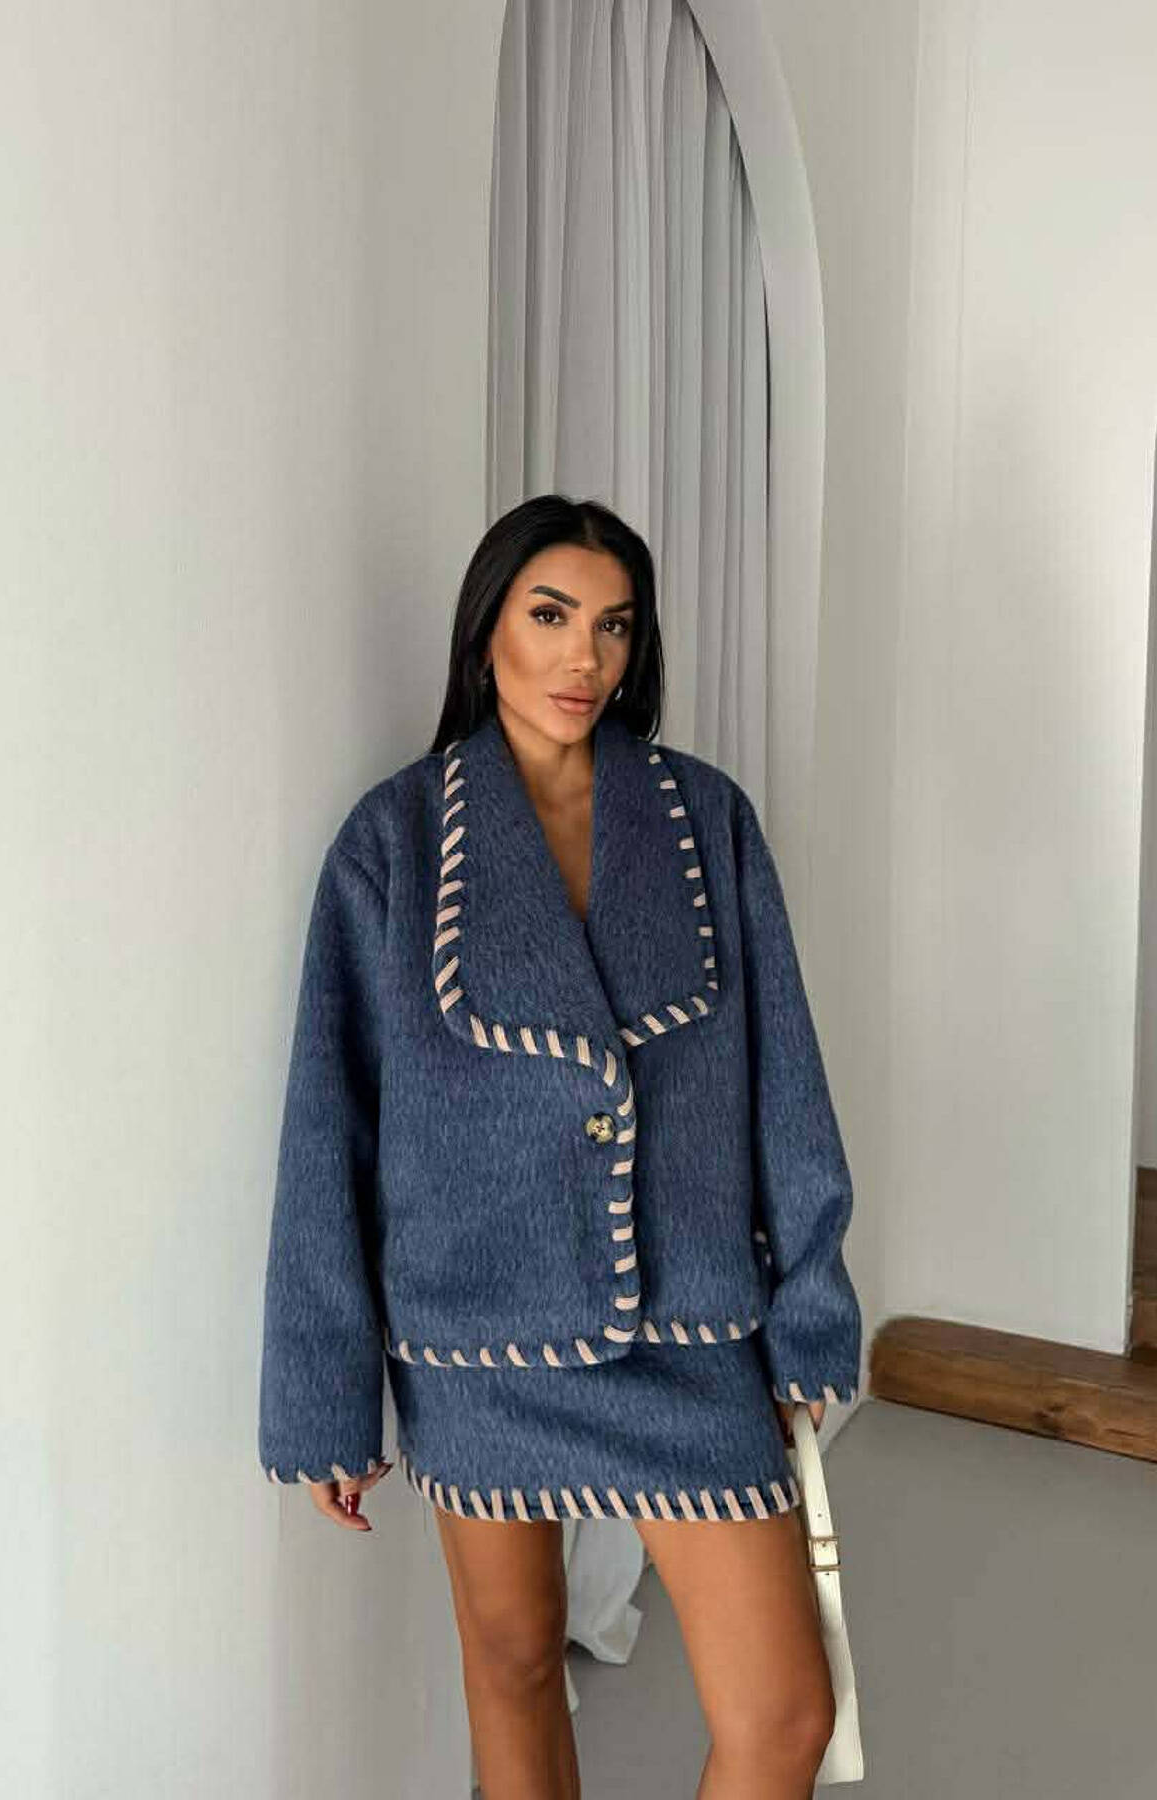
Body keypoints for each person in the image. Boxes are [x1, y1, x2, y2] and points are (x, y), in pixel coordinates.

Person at [258, 493, 862, 1799]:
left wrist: (810, 1312)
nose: (585, 657)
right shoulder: (395, 842)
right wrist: (323, 1399)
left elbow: (787, 1082)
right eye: (551, 616)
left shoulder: (706, 821)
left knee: (783, 1715)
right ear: (488, 632)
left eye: (614, 626)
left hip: (693, 1330)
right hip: (477, 1338)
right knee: (516, 1663)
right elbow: (329, 1130)